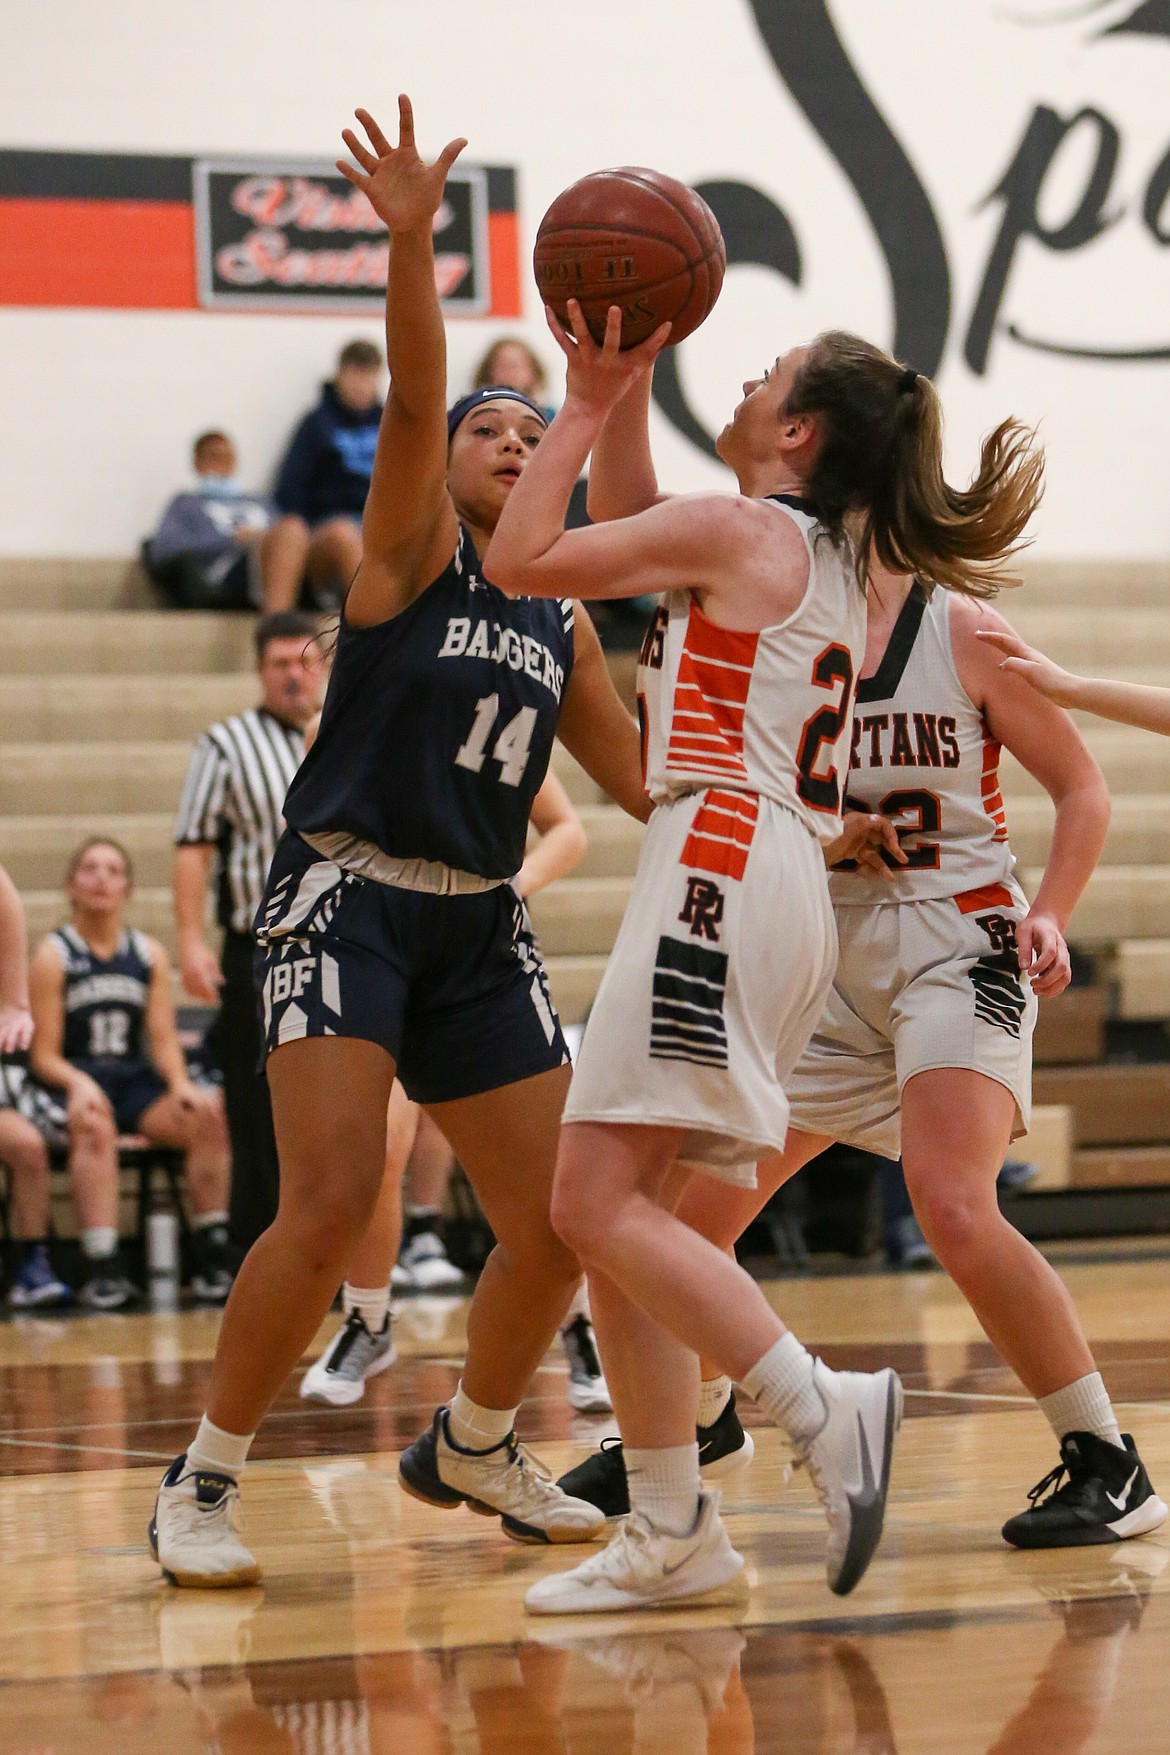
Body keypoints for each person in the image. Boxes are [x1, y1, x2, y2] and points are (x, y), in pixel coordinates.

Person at [148, 98, 652, 1589]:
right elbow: (422, 405)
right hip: (342, 897)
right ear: (444, 469)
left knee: (562, 1219)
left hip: (474, 915)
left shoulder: (562, 617)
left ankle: (480, 1434)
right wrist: (415, 241)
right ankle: (206, 1473)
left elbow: (637, 786)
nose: (506, 444)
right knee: (320, 1204)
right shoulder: (404, 558)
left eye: (527, 434)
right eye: (488, 434)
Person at [483, 300, 1054, 1613]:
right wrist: (624, 385)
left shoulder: (741, 534)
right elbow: (637, 509)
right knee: (624, 1209)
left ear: (796, 430)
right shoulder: (813, 554)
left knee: (590, 1203)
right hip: (768, 874)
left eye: (768, 374)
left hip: (718, 868)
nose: (741, 376)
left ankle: (817, 1403)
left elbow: (524, 557)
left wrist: (576, 396)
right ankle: (674, 1520)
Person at [559, 557, 1166, 1555]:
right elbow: (763, 799)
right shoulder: (788, 633)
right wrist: (831, 835)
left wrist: (1050, 913)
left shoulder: (959, 630)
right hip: (835, 965)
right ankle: (692, 1424)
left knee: (954, 1204)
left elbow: (1083, 789)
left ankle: (1108, 1460)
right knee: (678, 1222)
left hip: (959, 943)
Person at [301, 769, 611, 1415]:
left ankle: (580, 1327)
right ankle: (367, 1318)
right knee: (379, 1144)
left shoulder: (496, 693)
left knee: (538, 1166)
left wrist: (513, 886)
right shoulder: (343, 716)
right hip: (375, 947)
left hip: (477, 952)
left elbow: (567, 828)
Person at [173, 611, 325, 1255]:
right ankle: (263, 1254)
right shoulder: (226, 743)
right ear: (260, 671)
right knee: (259, 1107)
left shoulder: (353, 732)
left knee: (333, 1106)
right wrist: (188, 939)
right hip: (259, 947)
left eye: (304, 661)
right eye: (279, 664)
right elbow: (194, 847)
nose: (293, 675)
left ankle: (341, 1251)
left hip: (343, 943)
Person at [28, 839, 235, 1305]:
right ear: (71, 885)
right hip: (73, 1079)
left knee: (207, 1116)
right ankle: (103, 1265)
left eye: (113, 870)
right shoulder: (53, 954)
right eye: (90, 869)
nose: (101, 878)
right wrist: (79, 1083)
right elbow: (43, 1055)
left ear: (127, 888)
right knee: (93, 1124)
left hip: (134, 1081)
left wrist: (182, 1084)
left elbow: (162, 1041)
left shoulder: (148, 954)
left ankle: (212, 1254)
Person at [264, 339, 385, 612]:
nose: (361, 386)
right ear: (340, 375)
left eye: (368, 377)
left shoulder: (390, 424)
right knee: (340, 534)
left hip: (378, 529)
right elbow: (289, 488)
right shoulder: (316, 424)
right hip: (325, 529)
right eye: (355, 376)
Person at [145, 432, 279, 610]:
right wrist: (231, 540)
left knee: (293, 529)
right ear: (197, 463)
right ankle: (280, 626)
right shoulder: (185, 504)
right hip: (226, 573)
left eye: (228, 457)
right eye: (214, 457)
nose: (221, 464)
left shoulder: (260, 502)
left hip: (273, 558)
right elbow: (164, 548)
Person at [473, 337, 554, 419]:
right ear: (488, 373)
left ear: (534, 372)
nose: (510, 373)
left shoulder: (554, 418)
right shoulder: (475, 415)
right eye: (503, 366)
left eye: (516, 366)